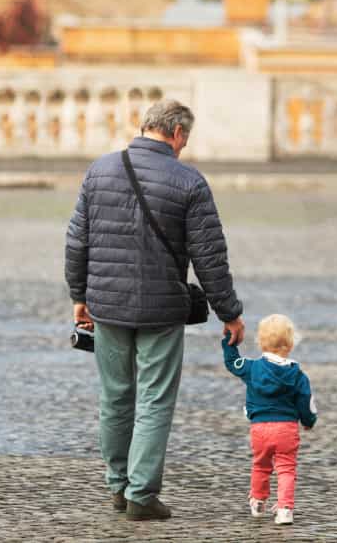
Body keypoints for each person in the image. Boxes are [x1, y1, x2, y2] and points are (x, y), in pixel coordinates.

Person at [66, 99, 245, 521]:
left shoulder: (100, 170)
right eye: (186, 139)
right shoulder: (189, 182)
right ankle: (141, 495)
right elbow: (210, 258)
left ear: (144, 125)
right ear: (178, 134)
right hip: (162, 310)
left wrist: (80, 296)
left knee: (115, 397)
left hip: (106, 306)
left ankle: (117, 485)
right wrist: (229, 312)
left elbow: (77, 241)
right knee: (154, 399)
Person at [222, 313, 317, 526]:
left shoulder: (252, 368)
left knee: (261, 465)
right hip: (287, 428)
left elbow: (231, 362)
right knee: (286, 468)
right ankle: (284, 509)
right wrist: (309, 421)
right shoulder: (297, 375)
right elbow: (306, 402)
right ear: (291, 343)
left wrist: (229, 340)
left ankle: (257, 501)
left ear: (260, 342)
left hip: (260, 428)